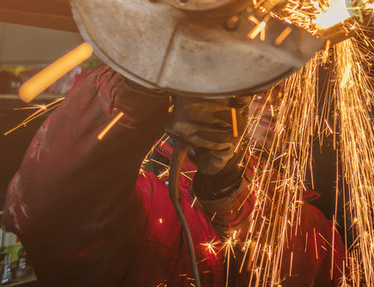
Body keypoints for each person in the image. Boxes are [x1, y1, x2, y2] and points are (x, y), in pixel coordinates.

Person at [2, 64, 345, 286]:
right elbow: (49, 213)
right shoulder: (146, 196)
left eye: (285, 90)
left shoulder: (302, 216)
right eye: (258, 86)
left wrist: (230, 189)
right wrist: (136, 87)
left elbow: (316, 272)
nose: (273, 101)